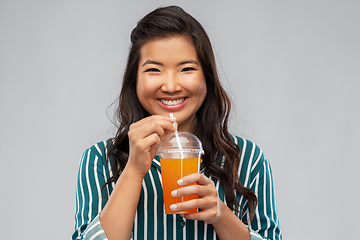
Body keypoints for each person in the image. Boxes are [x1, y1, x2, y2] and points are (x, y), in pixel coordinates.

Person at [72, 5, 282, 240]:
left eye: (186, 69)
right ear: (135, 80)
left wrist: (221, 215)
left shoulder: (248, 160)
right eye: (154, 69)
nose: (171, 86)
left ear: (207, 77)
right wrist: (133, 170)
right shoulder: (101, 160)